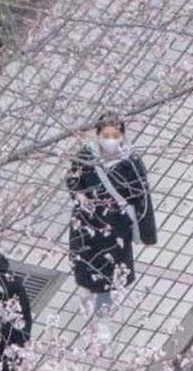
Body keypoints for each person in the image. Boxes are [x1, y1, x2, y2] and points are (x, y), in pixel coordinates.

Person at [66, 113, 157, 334]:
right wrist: (80, 197)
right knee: (85, 260)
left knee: (108, 272)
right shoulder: (86, 156)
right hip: (86, 222)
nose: (110, 139)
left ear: (122, 136)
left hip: (116, 226)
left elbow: (141, 196)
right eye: (105, 135)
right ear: (97, 135)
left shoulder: (130, 163)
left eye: (115, 135)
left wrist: (145, 232)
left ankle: (102, 316)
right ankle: (86, 286)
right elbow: (72, 180)